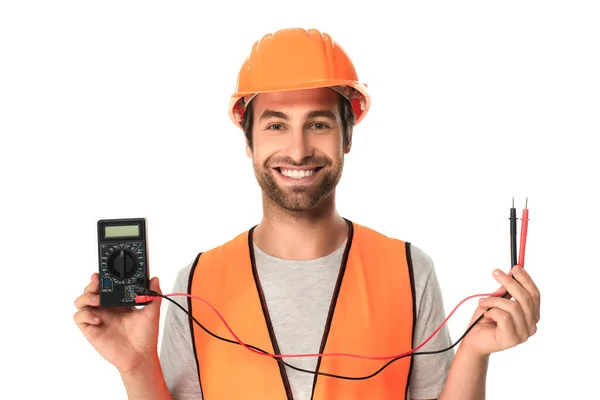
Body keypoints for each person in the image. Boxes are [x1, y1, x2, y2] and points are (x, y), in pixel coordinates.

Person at [74, 28, 541, 400]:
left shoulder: (408, 270)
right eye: (276, 125)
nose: (297, 150)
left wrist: (476, 354)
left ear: (348, 137)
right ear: (249, 141)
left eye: (318, 124)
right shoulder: (196, 281)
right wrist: (136, 368)